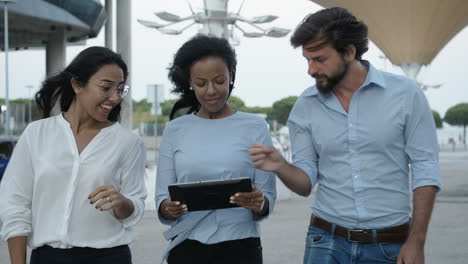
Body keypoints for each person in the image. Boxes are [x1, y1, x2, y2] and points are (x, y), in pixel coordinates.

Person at [249, 7, 441, 264]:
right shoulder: (305, 106)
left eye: (319, 59)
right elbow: (305, 184)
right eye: (307, 59)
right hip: (325, 243)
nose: (310, 69)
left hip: (390, 245)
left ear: (349, 52)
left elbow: (425, 167)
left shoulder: (406, 94)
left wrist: (416, 240)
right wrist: (281, 166)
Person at [0, 46, 147, 264]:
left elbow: (135, 207)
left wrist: (122, 202)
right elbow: (15, 205)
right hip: (47, 257)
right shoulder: (36, 134)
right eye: (106, 87)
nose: (115, 98)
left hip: (108, 257)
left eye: (120, 89)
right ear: (77, 85)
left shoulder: (128, 142)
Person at [155, 35, 276, 264]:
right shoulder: (175, 130)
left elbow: (267, 197)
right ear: (189, 83)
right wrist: (168, 209)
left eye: (219, 81)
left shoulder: (255, 126)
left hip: (241, 247)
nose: (211, 91)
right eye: (201, 83)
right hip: (187, 247)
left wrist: (259, 202)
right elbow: (162, 197)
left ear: (231, 75)